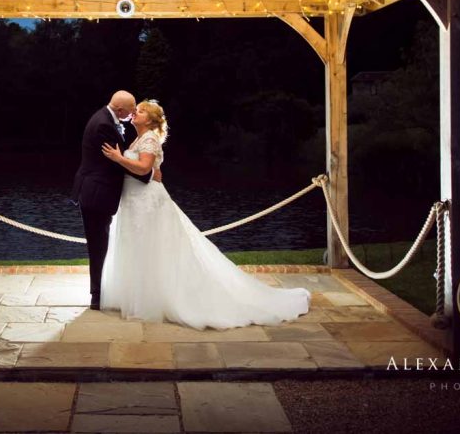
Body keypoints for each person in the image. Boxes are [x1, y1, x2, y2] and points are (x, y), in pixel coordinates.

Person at [99, 100, 310, 329]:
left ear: (149, 120)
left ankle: (157, 300)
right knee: (142, 248)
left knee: (153, 248)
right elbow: (150, 170)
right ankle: (141, 296)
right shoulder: (140, 138)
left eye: (139, 111)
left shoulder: (149, 138)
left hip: (147, 202)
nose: (134, 114)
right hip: (135, 200)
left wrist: (119, 158)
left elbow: (144, 168)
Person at [71, 90, 158, 310]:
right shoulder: (104, 125)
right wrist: (149, 173)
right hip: (96, 193)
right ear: (120, 110)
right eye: (131, 110)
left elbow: (120, 160)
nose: (132, 114)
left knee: (100, 243)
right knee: (98, 245)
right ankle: (97, 296)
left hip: (95, 191)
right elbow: (115, 163)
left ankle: (101, 292)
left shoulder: (106, 118)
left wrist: (145, 167)